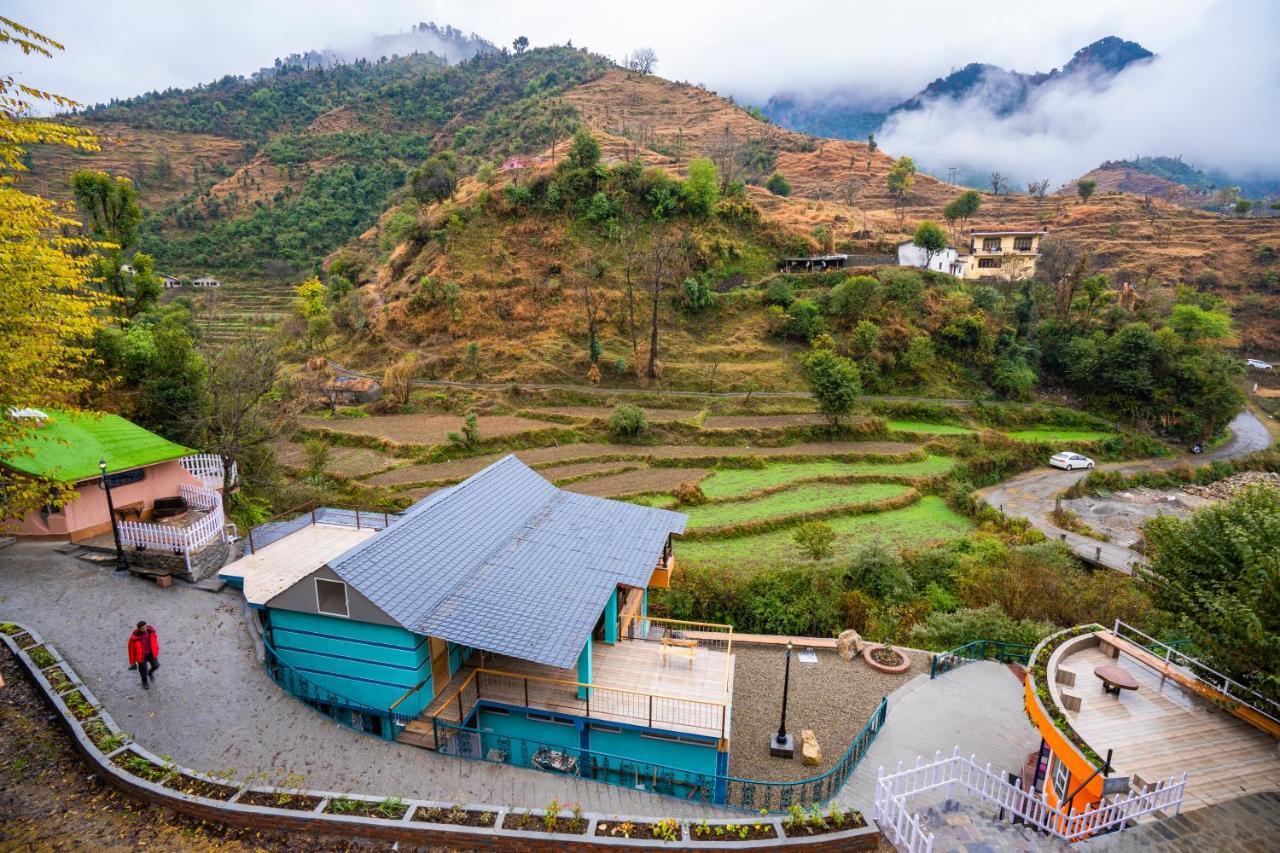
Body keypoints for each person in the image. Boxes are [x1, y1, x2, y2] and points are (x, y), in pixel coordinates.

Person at [127, 621, 160, 690]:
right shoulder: (134, 639)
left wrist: (156, 648)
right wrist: (133, 663)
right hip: (141, 657)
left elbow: (155, 639)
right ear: (139, 629)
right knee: (143, 672)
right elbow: (131, 651)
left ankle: (150, 673)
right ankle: (144, 682)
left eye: (145, 627)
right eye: (142, 628)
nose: (145, 629)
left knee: (156, 665)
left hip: (151, 654)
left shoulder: (151, 632)